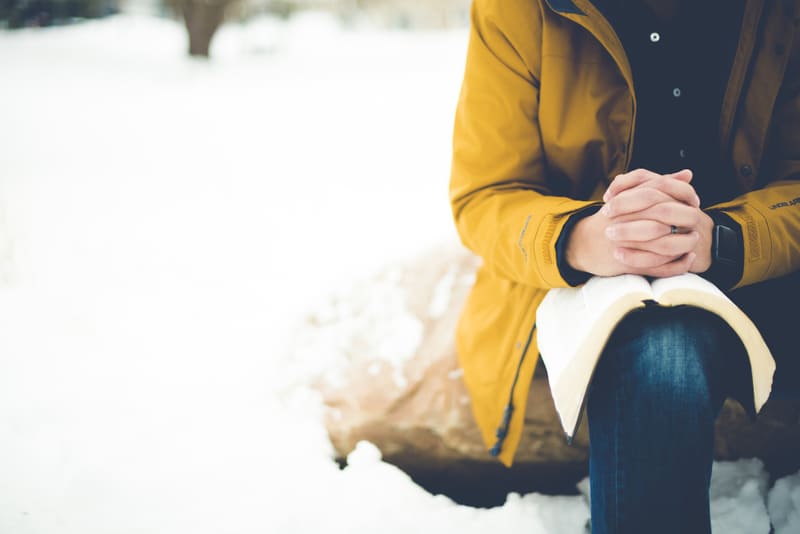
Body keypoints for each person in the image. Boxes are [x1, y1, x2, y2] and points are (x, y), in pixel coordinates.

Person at [448, 0, 800, 532]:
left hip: (761, 264)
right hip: (588, 282)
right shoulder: (516, 9)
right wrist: (579, 236)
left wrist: (727, 238)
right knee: (663, 355)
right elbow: (484, 194)